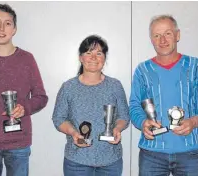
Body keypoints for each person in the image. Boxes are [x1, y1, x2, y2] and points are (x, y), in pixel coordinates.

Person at [0, 4, 48, 176]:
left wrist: (24, 108)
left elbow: (41, 97)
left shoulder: (27, 59)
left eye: (8, 23)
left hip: (18, 143)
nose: (2, 28)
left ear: (14, 29)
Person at [129, 15, 198, 176]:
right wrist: (143, 122)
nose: (162, 40)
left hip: (191, 153)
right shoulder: (143, 70)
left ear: (177, 35)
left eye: (167, 33)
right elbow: (134, 106)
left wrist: (194, 122)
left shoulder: (195, 66)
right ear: (151, 40)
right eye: (156, 35)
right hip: (152, 154)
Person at [52, 35, 130, 176]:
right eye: (88, 53)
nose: (94, 57)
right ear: (81, 57)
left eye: (99, 53)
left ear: (104, 58)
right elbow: (58, 119)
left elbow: (124, 116)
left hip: (110, 161)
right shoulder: (68, 87)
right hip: (77, 162)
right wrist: (73, 133)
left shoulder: (115, 86)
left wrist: (117, 128)